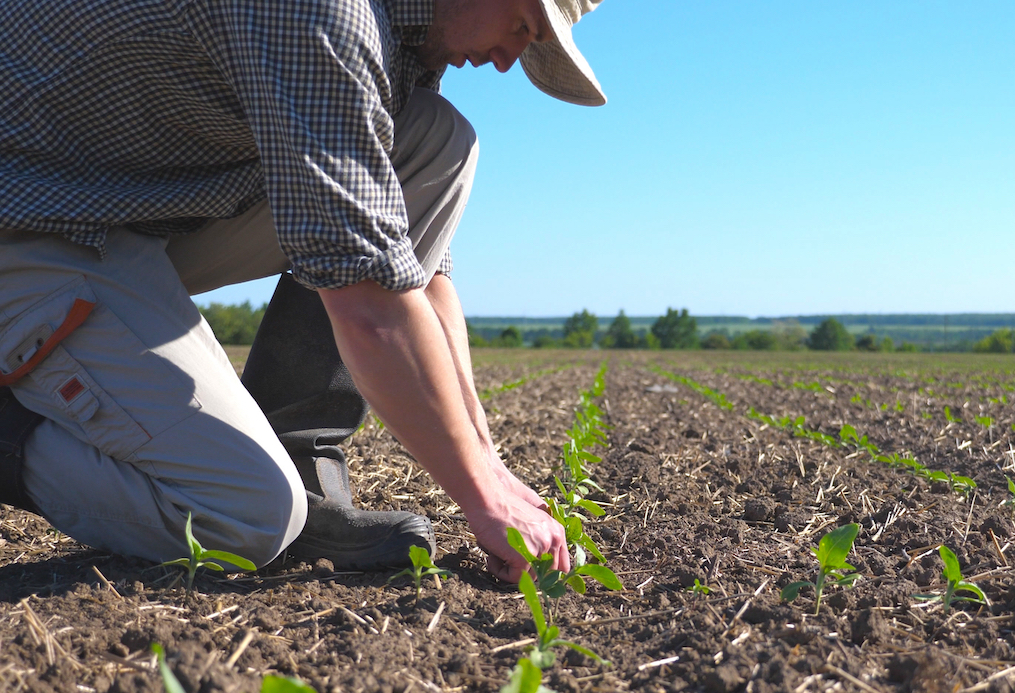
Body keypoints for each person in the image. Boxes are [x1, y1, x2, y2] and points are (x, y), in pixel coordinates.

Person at [0, 0, 607, 583]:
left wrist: (489, 465)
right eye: (525, 25)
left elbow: (413, 272)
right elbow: (370, 304)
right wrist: (482, 497)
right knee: (247, 517)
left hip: (124, 206)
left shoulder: (405, 39)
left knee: (435, 138)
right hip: (29, 226)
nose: (508, 60)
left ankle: (302, 464)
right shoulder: (323, 14)